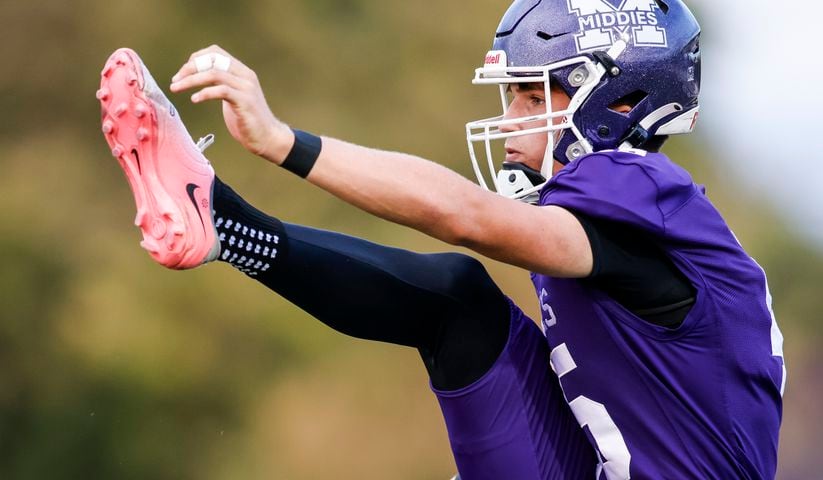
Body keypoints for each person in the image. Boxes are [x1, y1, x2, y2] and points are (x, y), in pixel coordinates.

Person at [97, 0, 785, 478]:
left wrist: (283, 142)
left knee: (458, 295)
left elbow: (469, 217)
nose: (509, 118)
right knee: (459, 306)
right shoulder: (614, 207)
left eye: (529, 94)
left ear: (621, 101)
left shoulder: (639, 185)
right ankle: (224, 223)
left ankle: (224, 220)